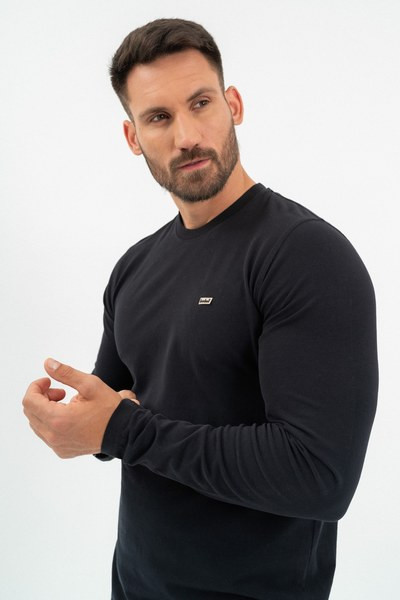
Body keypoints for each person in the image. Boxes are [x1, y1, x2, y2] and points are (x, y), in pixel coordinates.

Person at [22, 17, 378, 600]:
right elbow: (111, 416)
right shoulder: (134, 267)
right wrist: (70, 422)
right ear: (133, 137)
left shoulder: (305, 254)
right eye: (159, 117)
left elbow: (319, 476)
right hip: (134, 584)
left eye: (201, 103)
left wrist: (122, 428)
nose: (186, 135)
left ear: (233, 104)